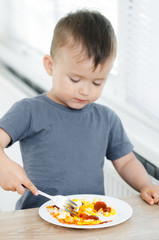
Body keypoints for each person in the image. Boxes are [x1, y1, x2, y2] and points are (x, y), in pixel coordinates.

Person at [0, 10, 159, 210]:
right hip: (35, 221)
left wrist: (146, 184)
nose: (85, 90)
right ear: (50, 65)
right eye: (75, 79)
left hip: (89, 220)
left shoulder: (107, 119)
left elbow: (126, 161)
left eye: (97, 82)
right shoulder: (29, 111)